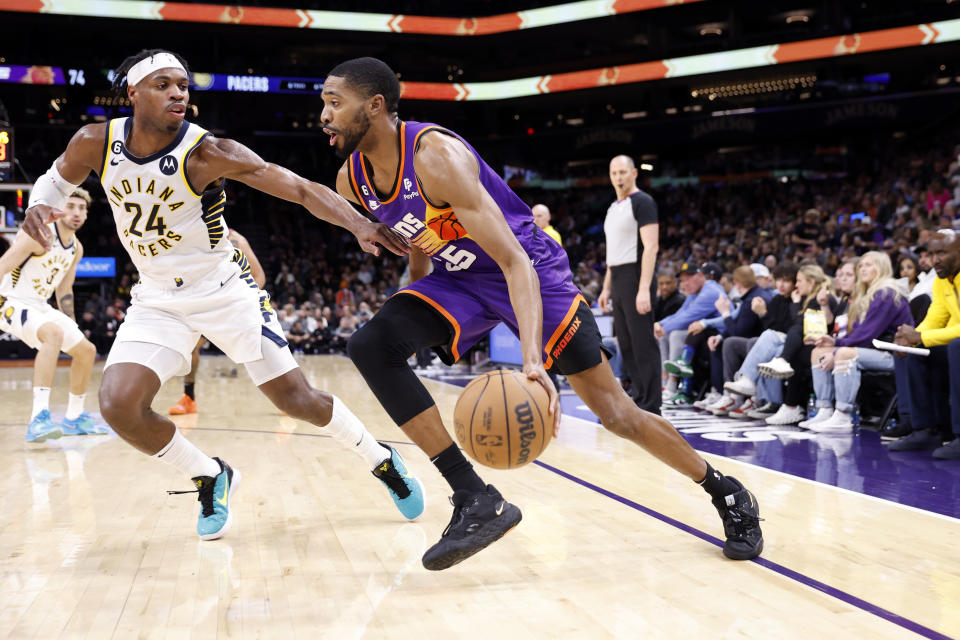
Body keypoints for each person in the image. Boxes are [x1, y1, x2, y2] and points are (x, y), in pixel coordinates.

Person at [321, 57, 763, 570]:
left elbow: (514, 263)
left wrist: (533, 362)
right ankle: (473, 498)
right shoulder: (351, 180)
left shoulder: (436, 156)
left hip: (529, 270)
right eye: (324, 104)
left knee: (617, 414)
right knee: (372, 345)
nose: (324, 116)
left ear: (375, 106)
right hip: (461, 279)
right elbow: (418, 236)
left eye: (335, 103)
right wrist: (417, 304)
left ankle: (725, 491)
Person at [21, 49, 424, 541]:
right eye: (163, 84)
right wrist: (40, 205)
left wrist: (360, 222)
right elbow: (54, 179)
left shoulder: (208, 152)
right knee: (118, 405)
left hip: (225, 292)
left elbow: (297, 188)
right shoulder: (94, 142)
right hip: (156, 299)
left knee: (298, 400)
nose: (177, 93)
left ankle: (381, 459)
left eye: (183, 86)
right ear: (132, 93)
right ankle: (209, 474)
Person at [0, 187, 107, 441]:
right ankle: (39, 419)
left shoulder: (76, 249)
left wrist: (72, 322)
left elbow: (64, 288)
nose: (77, 213)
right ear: (58, 210)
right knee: (53, 334)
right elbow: (3, 264)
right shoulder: (38, 236)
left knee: (86, 350)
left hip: (39, 304)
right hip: (9, 301)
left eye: (82, 208)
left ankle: (74, 417)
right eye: (71, 206)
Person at [801, 252, 912, 432]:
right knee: (819, 351)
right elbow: (860, 332)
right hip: (875, 349)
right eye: (861, 265)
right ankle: (824, 409)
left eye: (869, 265)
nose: (863, 269)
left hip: (895, 353)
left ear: (881, 267)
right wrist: (833, 341)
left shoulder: (886, 292)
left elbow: (866, 336)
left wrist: (837, 350)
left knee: (844, 354)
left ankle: (843, 414)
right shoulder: (870, 293)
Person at [169, 228, 266, 415]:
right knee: (191, 347)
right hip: (204, 303)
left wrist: (242, 300)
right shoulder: (189, 235)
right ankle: (188, 398)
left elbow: (259, 276)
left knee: (260, 347)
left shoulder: (236, 239)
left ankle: (286, 392)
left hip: (234, 304)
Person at [597, 155, 661, 414]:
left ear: (634, 173)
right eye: (614, 173)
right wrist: (606, 287)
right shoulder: (613, 207)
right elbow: (613, 252)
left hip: (637, 276)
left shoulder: (643, 202)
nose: (618, 177)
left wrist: (644, 287)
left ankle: (651, 403)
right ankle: (637, 397)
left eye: (623, 172)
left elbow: (652, 246)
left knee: (642, 342)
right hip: (619, 276)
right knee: (626, 343)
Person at [889, 233, 960, 459]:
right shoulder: (942, 281)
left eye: (941, 253)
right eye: (931, 254)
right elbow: (935, 318)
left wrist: (920, 336)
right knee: (917, 353)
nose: (934, 260)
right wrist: (913, 339)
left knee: (956, 347)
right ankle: (926, 430)